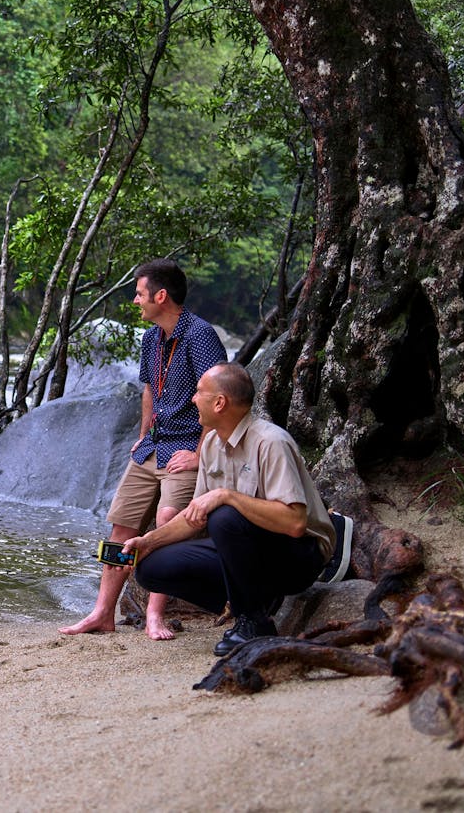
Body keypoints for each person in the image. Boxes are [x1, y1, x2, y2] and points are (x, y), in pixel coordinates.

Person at [60, 259, 226, 639]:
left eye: (139, 293)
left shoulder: (201, 336)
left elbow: (219, 395)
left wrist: (202, 454)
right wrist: (141, 434)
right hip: (151, 445)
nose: (136, 300)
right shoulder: (151, 338)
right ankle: (102, 613)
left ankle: (155, 613)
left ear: (161, 296)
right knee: (120, 528)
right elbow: (150, 389)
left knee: (168, 520)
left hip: (186, 445)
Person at [122, 362, 337, 655]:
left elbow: (295, 522)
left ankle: (254, 623)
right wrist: (148, 542)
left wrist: (227, 496)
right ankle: (253, 605)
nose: (193, 399)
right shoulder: (211, 443)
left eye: (199, 393)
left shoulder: (270, 442)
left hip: (300, 555)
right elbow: (195, 516)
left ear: (220, 403)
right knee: (151, 569)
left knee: (224, 516)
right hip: (249, 551)